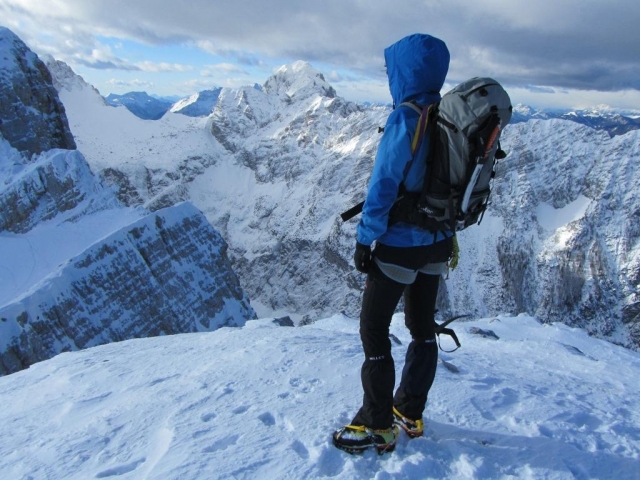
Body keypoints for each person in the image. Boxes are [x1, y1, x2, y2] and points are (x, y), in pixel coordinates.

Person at [332, 33, 454, 454]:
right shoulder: (449, 116)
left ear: (405, 71)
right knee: (422, 328)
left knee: (373, 330)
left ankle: (377, 423)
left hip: (401, 244)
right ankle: (410, 411)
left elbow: (383, 185)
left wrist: (365, 239)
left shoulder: (407, 117)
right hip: (439, 243)